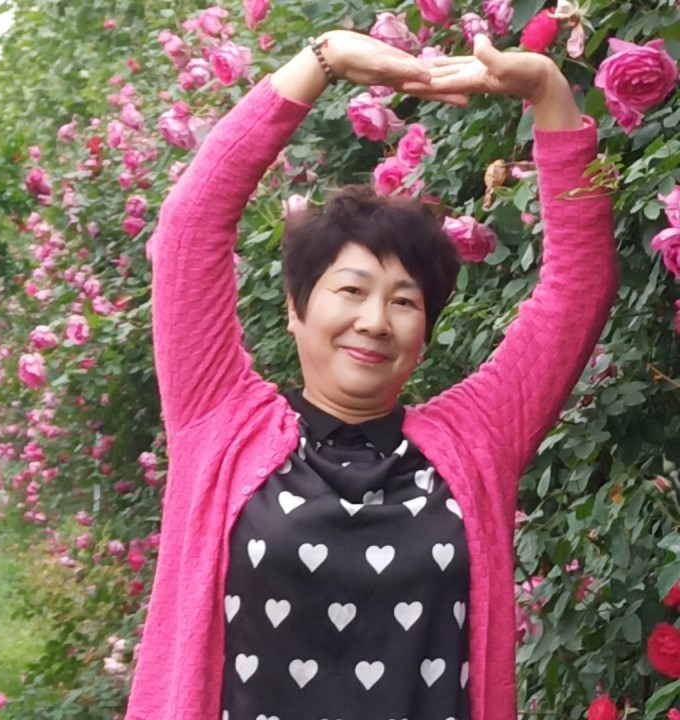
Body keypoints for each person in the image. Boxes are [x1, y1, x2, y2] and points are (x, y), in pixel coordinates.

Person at [126, 29, 617, 720]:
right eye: (351, 290)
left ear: (425, 329)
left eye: (405, 301)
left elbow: (578, 291)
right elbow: (189, 230)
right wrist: (321, 61)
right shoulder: (219, 421)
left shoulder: (476, 443)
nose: (375, 321)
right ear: (295, 308)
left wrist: (550, 91)